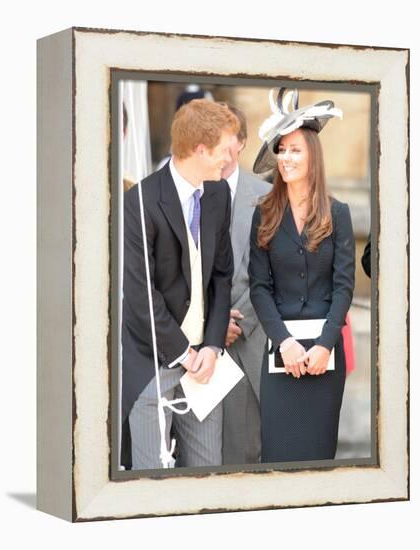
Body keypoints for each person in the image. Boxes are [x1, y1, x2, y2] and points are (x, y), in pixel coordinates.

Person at [122, 99, 238, 470]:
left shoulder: (218, 194)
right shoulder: (139, 201)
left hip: (205, 363)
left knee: (207, 471)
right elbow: (141, 295)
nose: (230, 159)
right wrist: (184, 354)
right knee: (152, 477)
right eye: (224, 150)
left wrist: (214, 346)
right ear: (200, 149)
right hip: (153, 363)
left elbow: (222, 275)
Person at [249, 88, 355, 463]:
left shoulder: (338, 213)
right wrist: (285, 342)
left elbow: (344, 287)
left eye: (296, 149)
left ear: (313, 155)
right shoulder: (263, 214)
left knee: (318, 459)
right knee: (278, 458)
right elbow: (259, 288)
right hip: (282, 355)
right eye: (282, 149)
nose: (286, 157)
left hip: (325, 357)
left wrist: (325, 344)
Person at [220, 106, 270, 465]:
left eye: (225, 136)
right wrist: (213, 321)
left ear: (240, 143)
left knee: (245, 450)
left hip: (250, 337)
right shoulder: (183, 190)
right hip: (199, 342)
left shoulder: (266, 197)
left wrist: (237, 321)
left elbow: (271, 272)